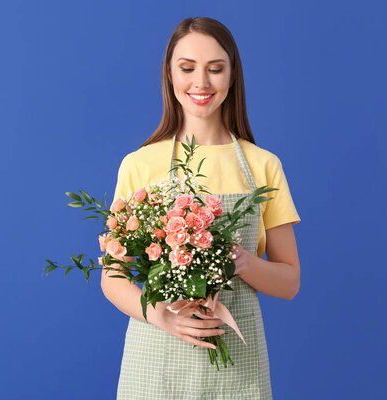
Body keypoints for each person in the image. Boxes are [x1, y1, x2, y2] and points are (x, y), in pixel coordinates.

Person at [100, 17, 301, 400]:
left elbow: (290, 281)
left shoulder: (264, 166)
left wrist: (243, 262)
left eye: (215, 69)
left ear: (232, 75)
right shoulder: (139, 165)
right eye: (188, 68)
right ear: (170, 74)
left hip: (237, 360)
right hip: (156, 357)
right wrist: (164, 316)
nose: (201, 83)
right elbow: (112, 276)